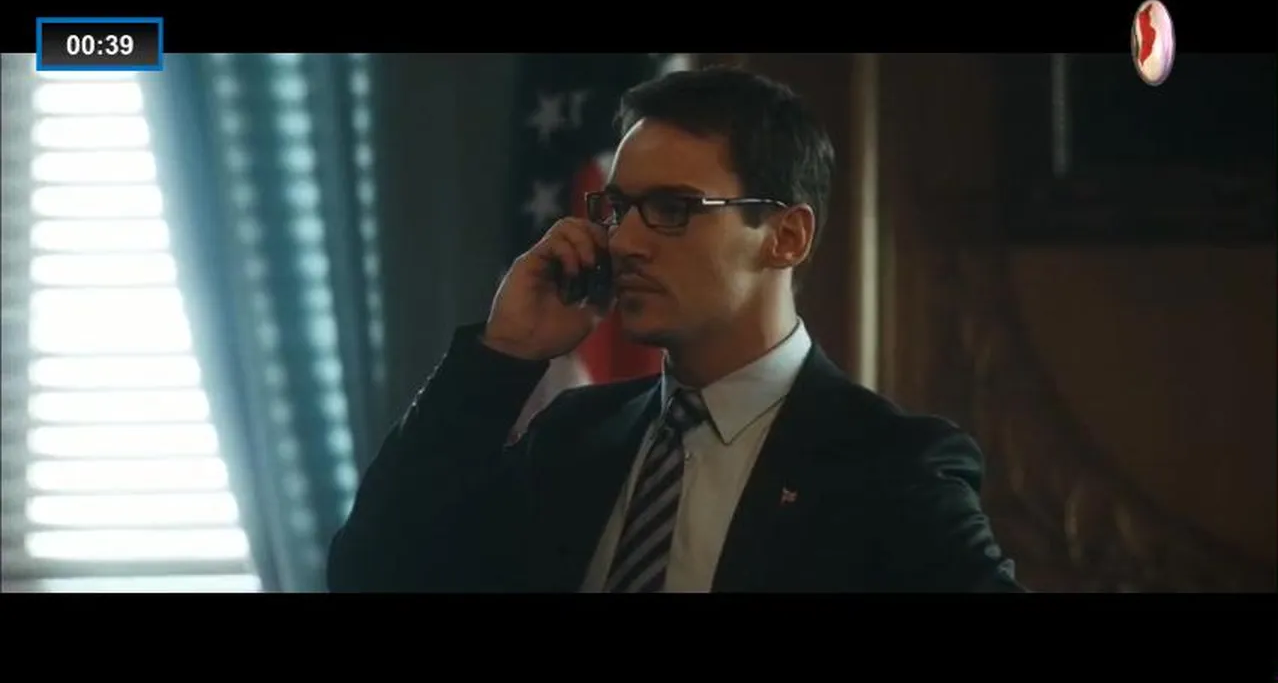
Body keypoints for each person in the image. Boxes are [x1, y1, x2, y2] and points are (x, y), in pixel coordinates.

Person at [326, 66, 1024, 593]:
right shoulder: (574, 438)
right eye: (619, 209)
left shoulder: (892, 469)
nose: (626, 242)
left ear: (785, 236)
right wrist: (502, 354)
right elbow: (374, 573)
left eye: (673, 209)